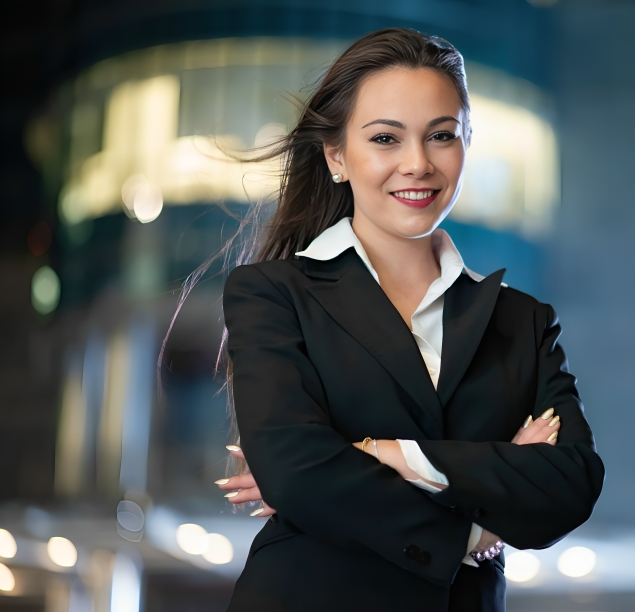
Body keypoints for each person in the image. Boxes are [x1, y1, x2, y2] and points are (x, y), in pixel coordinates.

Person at [211, 28, 604, 611]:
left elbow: (570, 482)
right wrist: (475, 530)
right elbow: (296, 471)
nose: (417, 164)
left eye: (441, 136)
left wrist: (378, 454)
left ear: (467, 143)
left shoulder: (521, 320)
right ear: (337, 156)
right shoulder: (273, 294)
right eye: (385, 139)